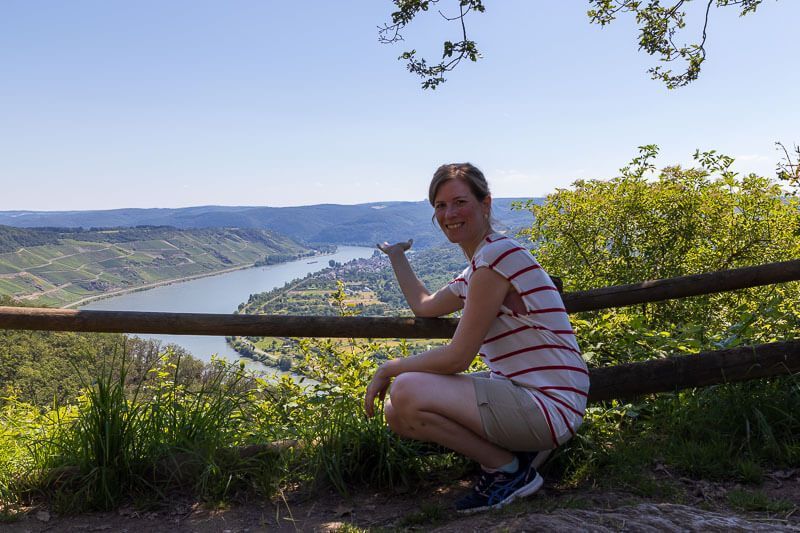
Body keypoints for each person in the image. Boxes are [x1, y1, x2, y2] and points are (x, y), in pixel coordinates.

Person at [364, 163, 589, 513]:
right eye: (440, 206)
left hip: (549, 405)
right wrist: (397, 257)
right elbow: (425, 306)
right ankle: (518, 457)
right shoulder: (476, 269)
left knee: (406, 388)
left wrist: (387, 369)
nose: (449, 214)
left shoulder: (496, 258)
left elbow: (458, 358)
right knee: (396, 411)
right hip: (534, 397)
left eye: (459, 202)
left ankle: (508, 471)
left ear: (485, 204)